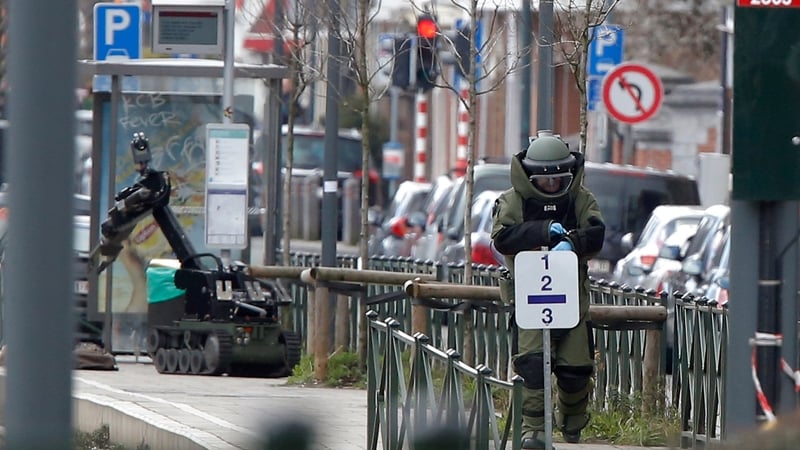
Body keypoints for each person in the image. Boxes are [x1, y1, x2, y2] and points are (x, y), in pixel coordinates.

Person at [490, 131, 605, 449]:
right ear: (530, 177)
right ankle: (534, 431)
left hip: (572, 301)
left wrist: (572, 242)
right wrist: (542, 232)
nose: (553, 186)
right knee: (532, 365)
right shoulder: (512, 201)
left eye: (559, 180)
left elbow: (596, 233)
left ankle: (573, 419)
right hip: (529, 299)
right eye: (546, 181)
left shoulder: (581, 199)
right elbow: (503, 238)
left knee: (576, 368)